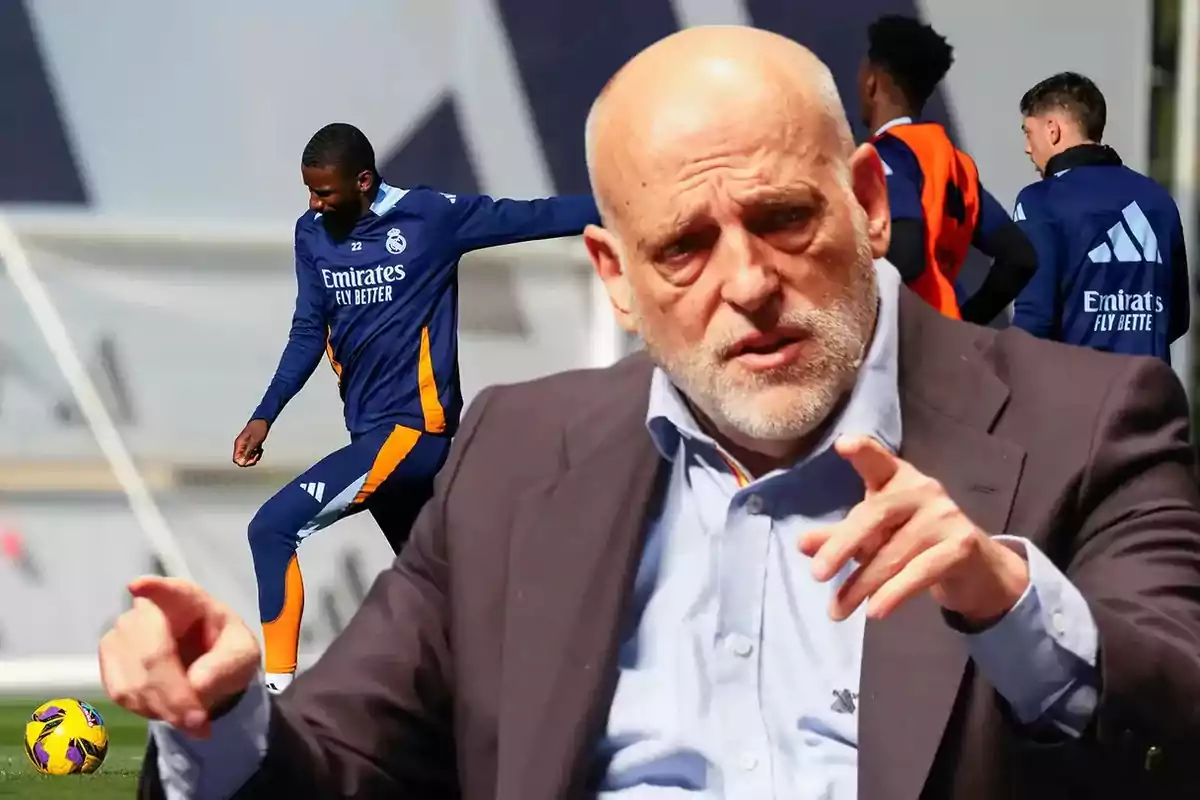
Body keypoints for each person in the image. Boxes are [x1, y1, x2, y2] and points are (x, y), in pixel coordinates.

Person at [103, 27, 1200, 799]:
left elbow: (1175, 710)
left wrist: (1007, 600)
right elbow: (341, 760)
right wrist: (218, 716)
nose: (748, 281)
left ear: (868, 205)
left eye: (780, 218)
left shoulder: (1095, 420)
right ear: (615, 277)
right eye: (683, 246)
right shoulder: (513, 457)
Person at [231, 122, 600, 694]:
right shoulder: (312, 234)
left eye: (325, 192)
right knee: (447, 596)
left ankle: (276, 701)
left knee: (273, 529)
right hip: (370, 438)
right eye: (309, 191)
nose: (314, 203)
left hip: (415, 433)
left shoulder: (430, 217)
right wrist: (265, 413)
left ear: (363, 179)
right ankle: (551, 688)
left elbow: (536, 215)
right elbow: (309, 330)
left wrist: (628, 205)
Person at [858, 15, 1037, 325]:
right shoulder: (955, 163)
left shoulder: (885, 156)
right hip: (949, 340)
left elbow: (907, 253)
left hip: (907, 346)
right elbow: (1020, 256)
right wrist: (968, 320)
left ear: (872, 80)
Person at [1010, 72, 1190, 363]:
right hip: (1152, 394)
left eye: (1028, 132)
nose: (1027, 148)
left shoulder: (1040, 201)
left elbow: (1035, 318)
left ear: (1052, 130)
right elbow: (1177, 317)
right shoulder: (1158, 200)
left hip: (1078, 397)